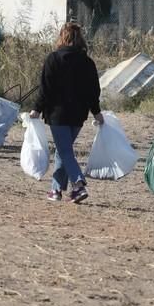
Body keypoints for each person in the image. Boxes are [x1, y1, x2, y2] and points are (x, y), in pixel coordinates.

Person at [29, 22, 103, 204]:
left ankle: (78, 184)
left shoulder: (53, 59)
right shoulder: (87, 62)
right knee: (64, 151)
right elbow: (93, 90)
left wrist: (37, 109)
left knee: (64, 150)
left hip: (57, 113)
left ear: (63, 37)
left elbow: (45, 88)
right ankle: (55, 190)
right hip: (78, 114)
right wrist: (96, 112)